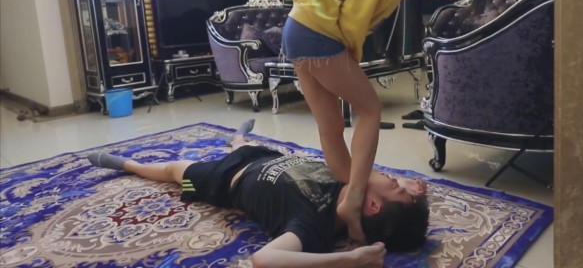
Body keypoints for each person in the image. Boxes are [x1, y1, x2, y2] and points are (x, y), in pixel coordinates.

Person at [282, 0, 489, 242]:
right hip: (318, 31)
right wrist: (350, 62)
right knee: (369, 109)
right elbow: (355, 15)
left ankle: (351, 196)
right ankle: (354, 199)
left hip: (298, 27)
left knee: (331, 125)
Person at [86, 119, 429, 268]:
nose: (393, 178)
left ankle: (127, 164)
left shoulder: (314, 224)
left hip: (226, 179)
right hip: (267, 157)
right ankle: (237, 137)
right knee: (245, 145)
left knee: (175, 170)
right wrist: (412, 191)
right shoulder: (350, 182)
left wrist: (350, 260)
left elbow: (265, 260)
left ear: (372, 204)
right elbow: (371, 172)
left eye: (394, 185)